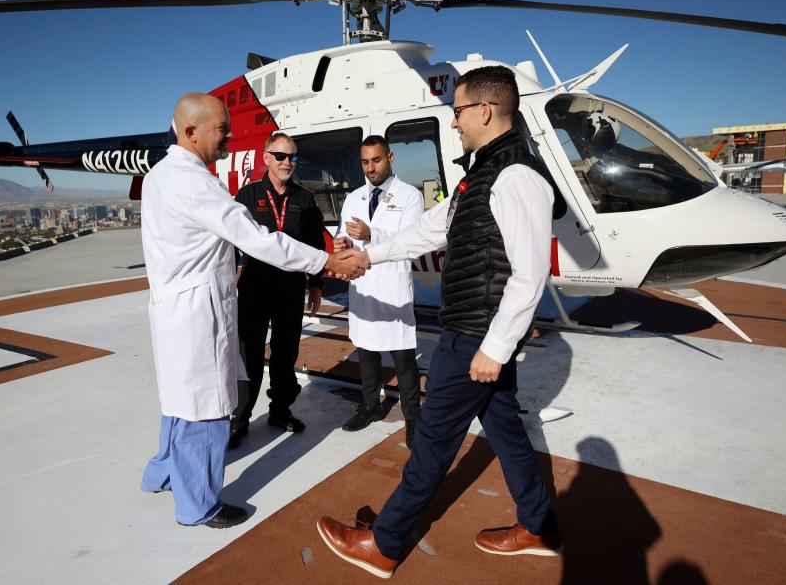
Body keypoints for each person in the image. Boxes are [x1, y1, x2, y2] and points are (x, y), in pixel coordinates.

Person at [317, 66, 564, 577]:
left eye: (457, 111)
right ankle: (539, 525)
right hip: (476, 333)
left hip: (474, 337)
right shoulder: (483, 175)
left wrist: (494, 349)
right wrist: (370, 255)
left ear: (485, 111)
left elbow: (529, 274)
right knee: (508, 432)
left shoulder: (517, 177)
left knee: (431, 441)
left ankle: (383, 545)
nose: (452, 123)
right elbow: (430, 230)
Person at [139, 93, 367, 529]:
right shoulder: (196, 184)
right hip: (196, 313)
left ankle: (162, 473)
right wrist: (327, 262)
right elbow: (260, 240)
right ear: (190, 132)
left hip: (170, 308)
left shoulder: (159, 176)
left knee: (177, 402)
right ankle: (198, 505)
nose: (229, 136)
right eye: (221, 129)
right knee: (205, 410)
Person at [228, 132, 326, 449]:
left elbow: (313, 244)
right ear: (266, 157)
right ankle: (239, 420)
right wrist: (227, 279)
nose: (287, 163)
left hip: (290, 289)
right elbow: (230, 242)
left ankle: (280, 411)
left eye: (292, 157)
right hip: (255, 288)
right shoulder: (247, 195)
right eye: (280, 156)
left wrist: (316, 285)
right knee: (250, 357)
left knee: (286, 355)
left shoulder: (304, 199)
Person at [333, 135, 424, 448]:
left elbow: (412, 240)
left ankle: (413, 418)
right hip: (363, 286)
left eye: (376, 160)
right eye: (365, 162)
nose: (370, 168)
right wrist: (342, 243)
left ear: (391, 158)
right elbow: (343, 235)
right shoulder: (355, 197)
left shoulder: (410, 196)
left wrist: (373, 233)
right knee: (367, 353)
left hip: (393, 286)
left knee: (404, 359)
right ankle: (370, 406)